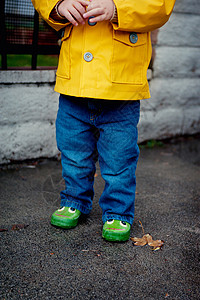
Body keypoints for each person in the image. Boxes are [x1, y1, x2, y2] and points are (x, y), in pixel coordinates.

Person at [31, 0, 176, 242]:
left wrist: (119, 8)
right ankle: (74, 200)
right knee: (73, 152)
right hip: (74, 83)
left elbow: (160, 5)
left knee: (119, 159)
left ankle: (118, 211)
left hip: (120, 86)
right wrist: (57, 5)